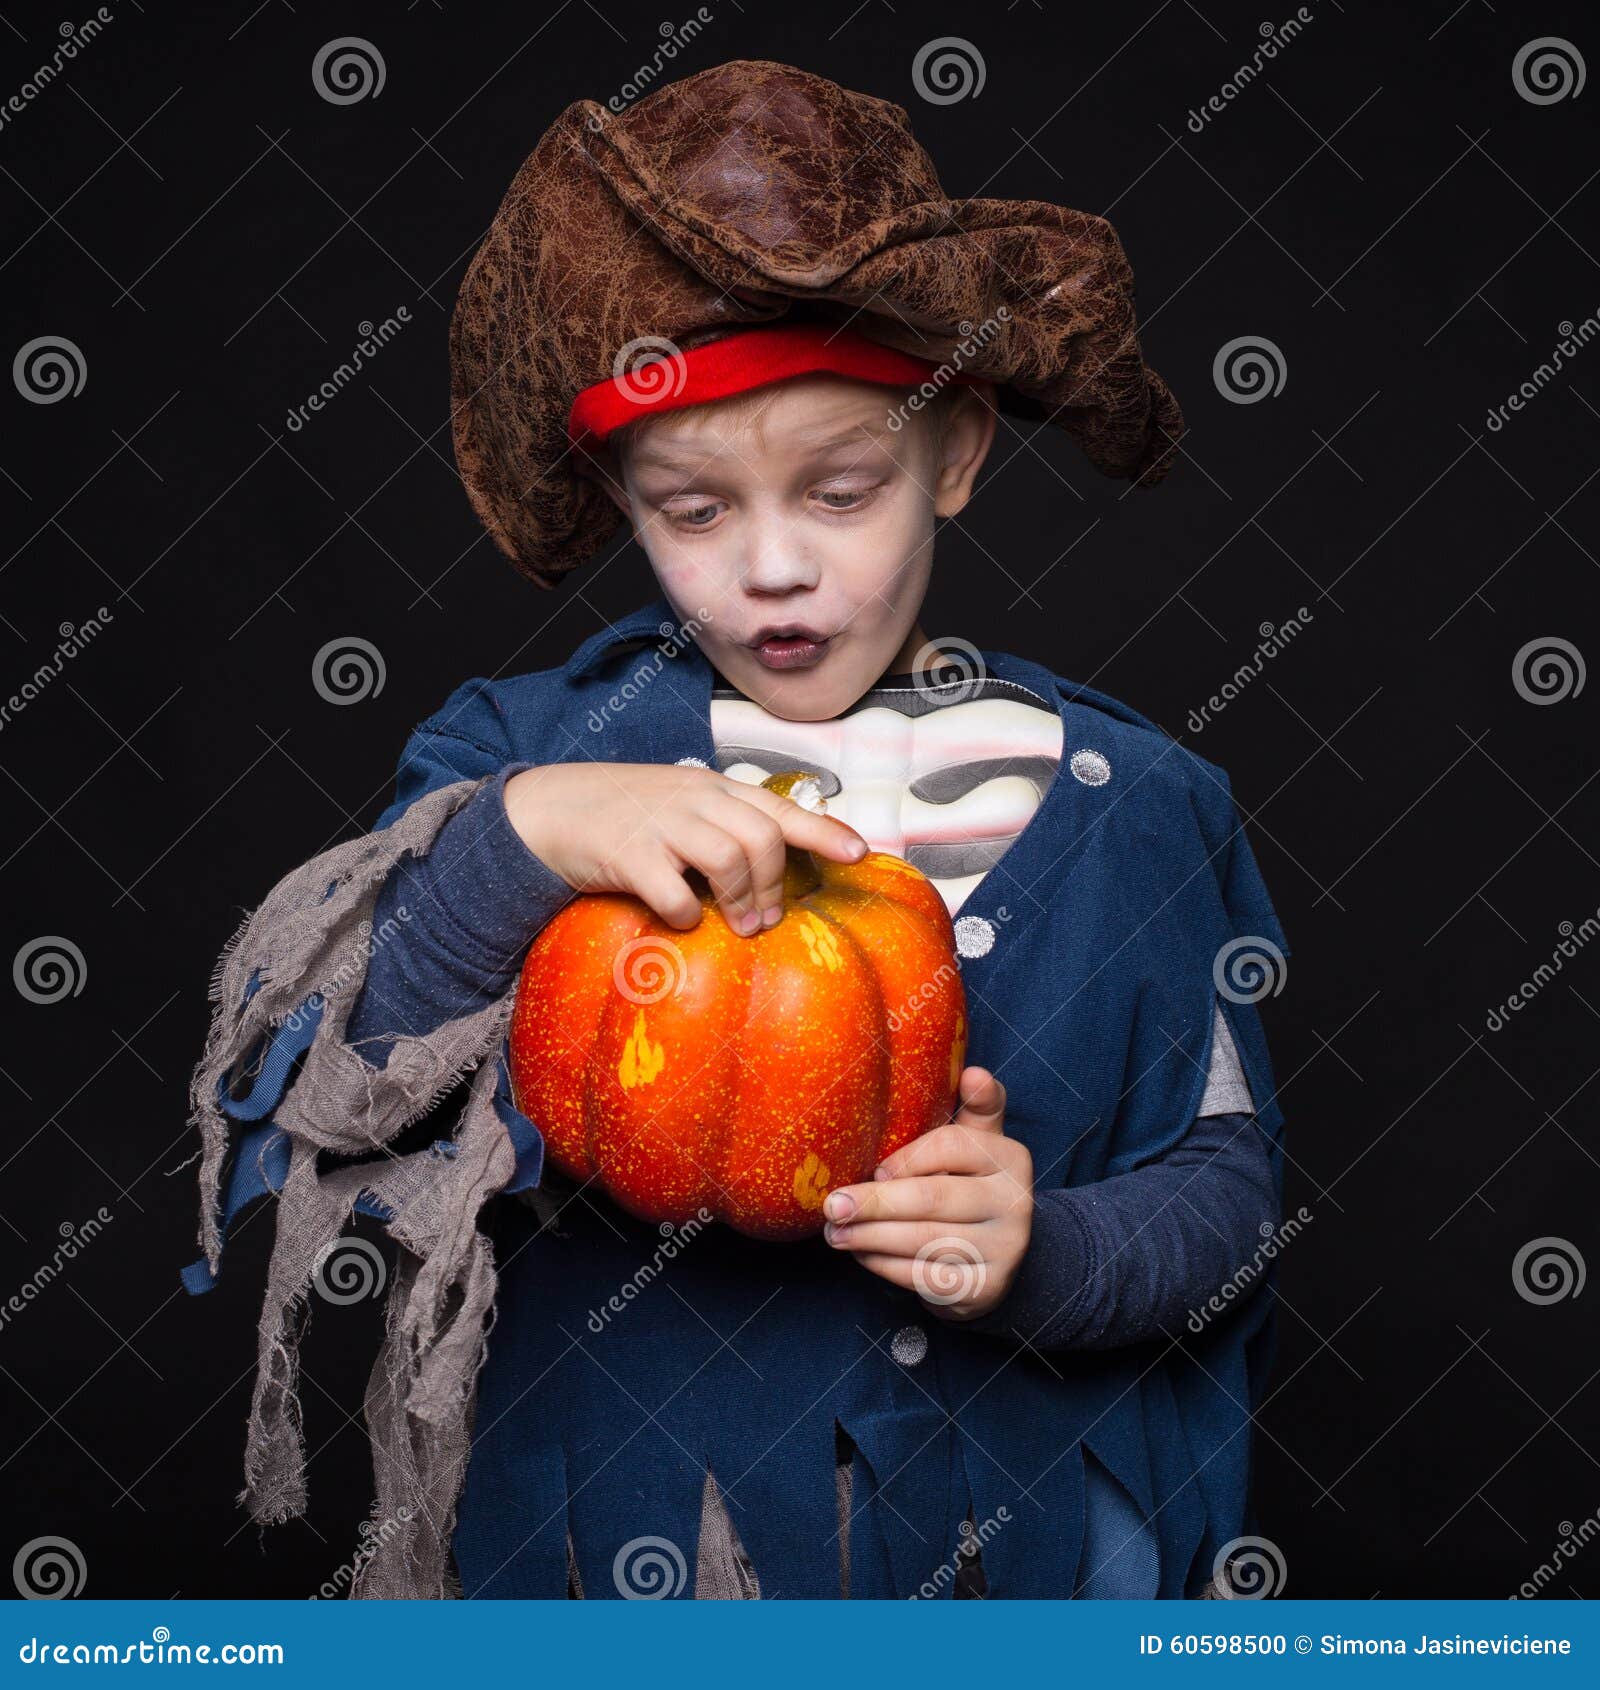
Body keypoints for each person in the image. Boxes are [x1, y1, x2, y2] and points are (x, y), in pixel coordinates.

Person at [183, 60, 1290, 1603]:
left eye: (840, 491)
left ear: (953, 453)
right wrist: (526, 837)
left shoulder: (1141, 800)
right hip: (641, 1549)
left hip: (1025, 1561)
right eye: (695, 511)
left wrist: (1049, 1251)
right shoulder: (525, 761)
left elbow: (1227, 1183)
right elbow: (325, 1081)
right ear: (626, 495)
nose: (774, 569)